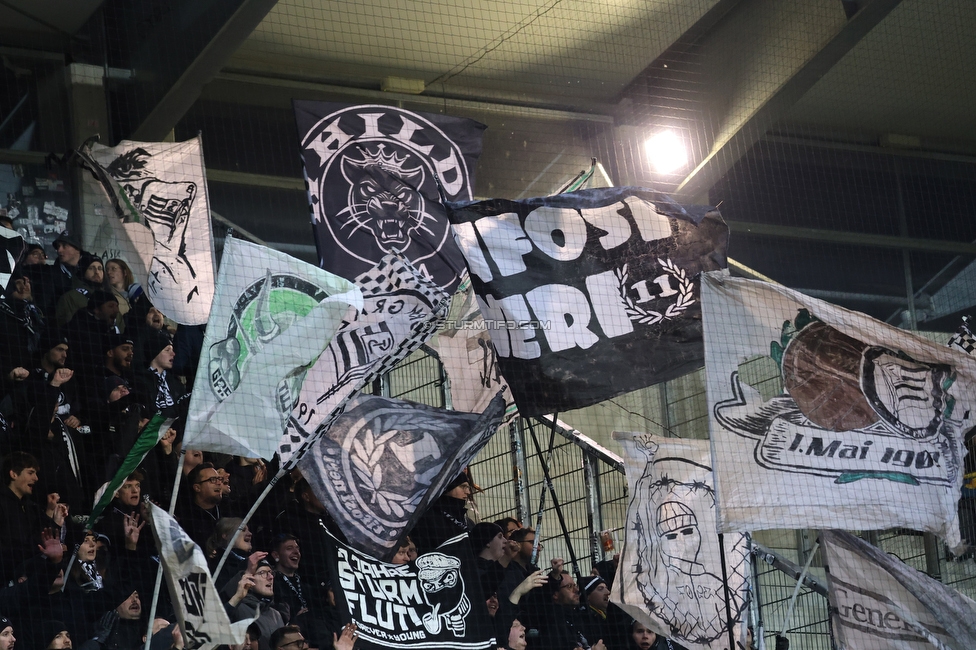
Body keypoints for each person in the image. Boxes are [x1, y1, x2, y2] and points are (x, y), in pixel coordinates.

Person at [0, 452, 66, 584]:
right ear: (13, 474)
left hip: (29, 577)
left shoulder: (30, 507)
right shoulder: (3, 504)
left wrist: (52, 515)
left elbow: (39, 538)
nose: (36, 478)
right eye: (30, 473)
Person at [178, 462, 227, 547]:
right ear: (197, 487)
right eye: (213, 480)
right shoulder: (187, 520)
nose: (219, 483)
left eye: (219, 479)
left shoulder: (228, 508)